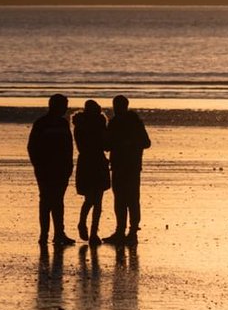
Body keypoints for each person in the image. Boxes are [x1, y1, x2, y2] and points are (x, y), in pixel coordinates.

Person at [27, 93, 75, 247]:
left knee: (58, 201)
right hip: (45, 169)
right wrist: (38, 165)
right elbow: (32, 147)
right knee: (47, 201)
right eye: (64, 106)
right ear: (55, 106)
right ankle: (44, 234)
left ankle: (59, 233)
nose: (66, 109)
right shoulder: (42, 123)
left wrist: (69, 165)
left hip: (61, 169)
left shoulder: (63, 123)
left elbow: (69, 146)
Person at [102, 94, 151, 246]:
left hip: (131, 167)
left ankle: (132, 232)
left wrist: (127, 143)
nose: (116, 109)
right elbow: (107, 145)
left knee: (131, 199)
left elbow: (146, 143)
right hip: (120, 166)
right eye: (115, 106)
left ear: (124, 106)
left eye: (118, 106)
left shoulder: (134, 122)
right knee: (122, 200)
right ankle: (121, 231)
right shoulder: (115, 122)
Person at [72, 99, 110, 246]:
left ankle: (94, 232)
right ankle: (83, 224)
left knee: (97, 199)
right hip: (89, 161)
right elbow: (83, 146)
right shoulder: (81, 125)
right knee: (91, 199)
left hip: (97, 161)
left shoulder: (99, 124)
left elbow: (105, 144)